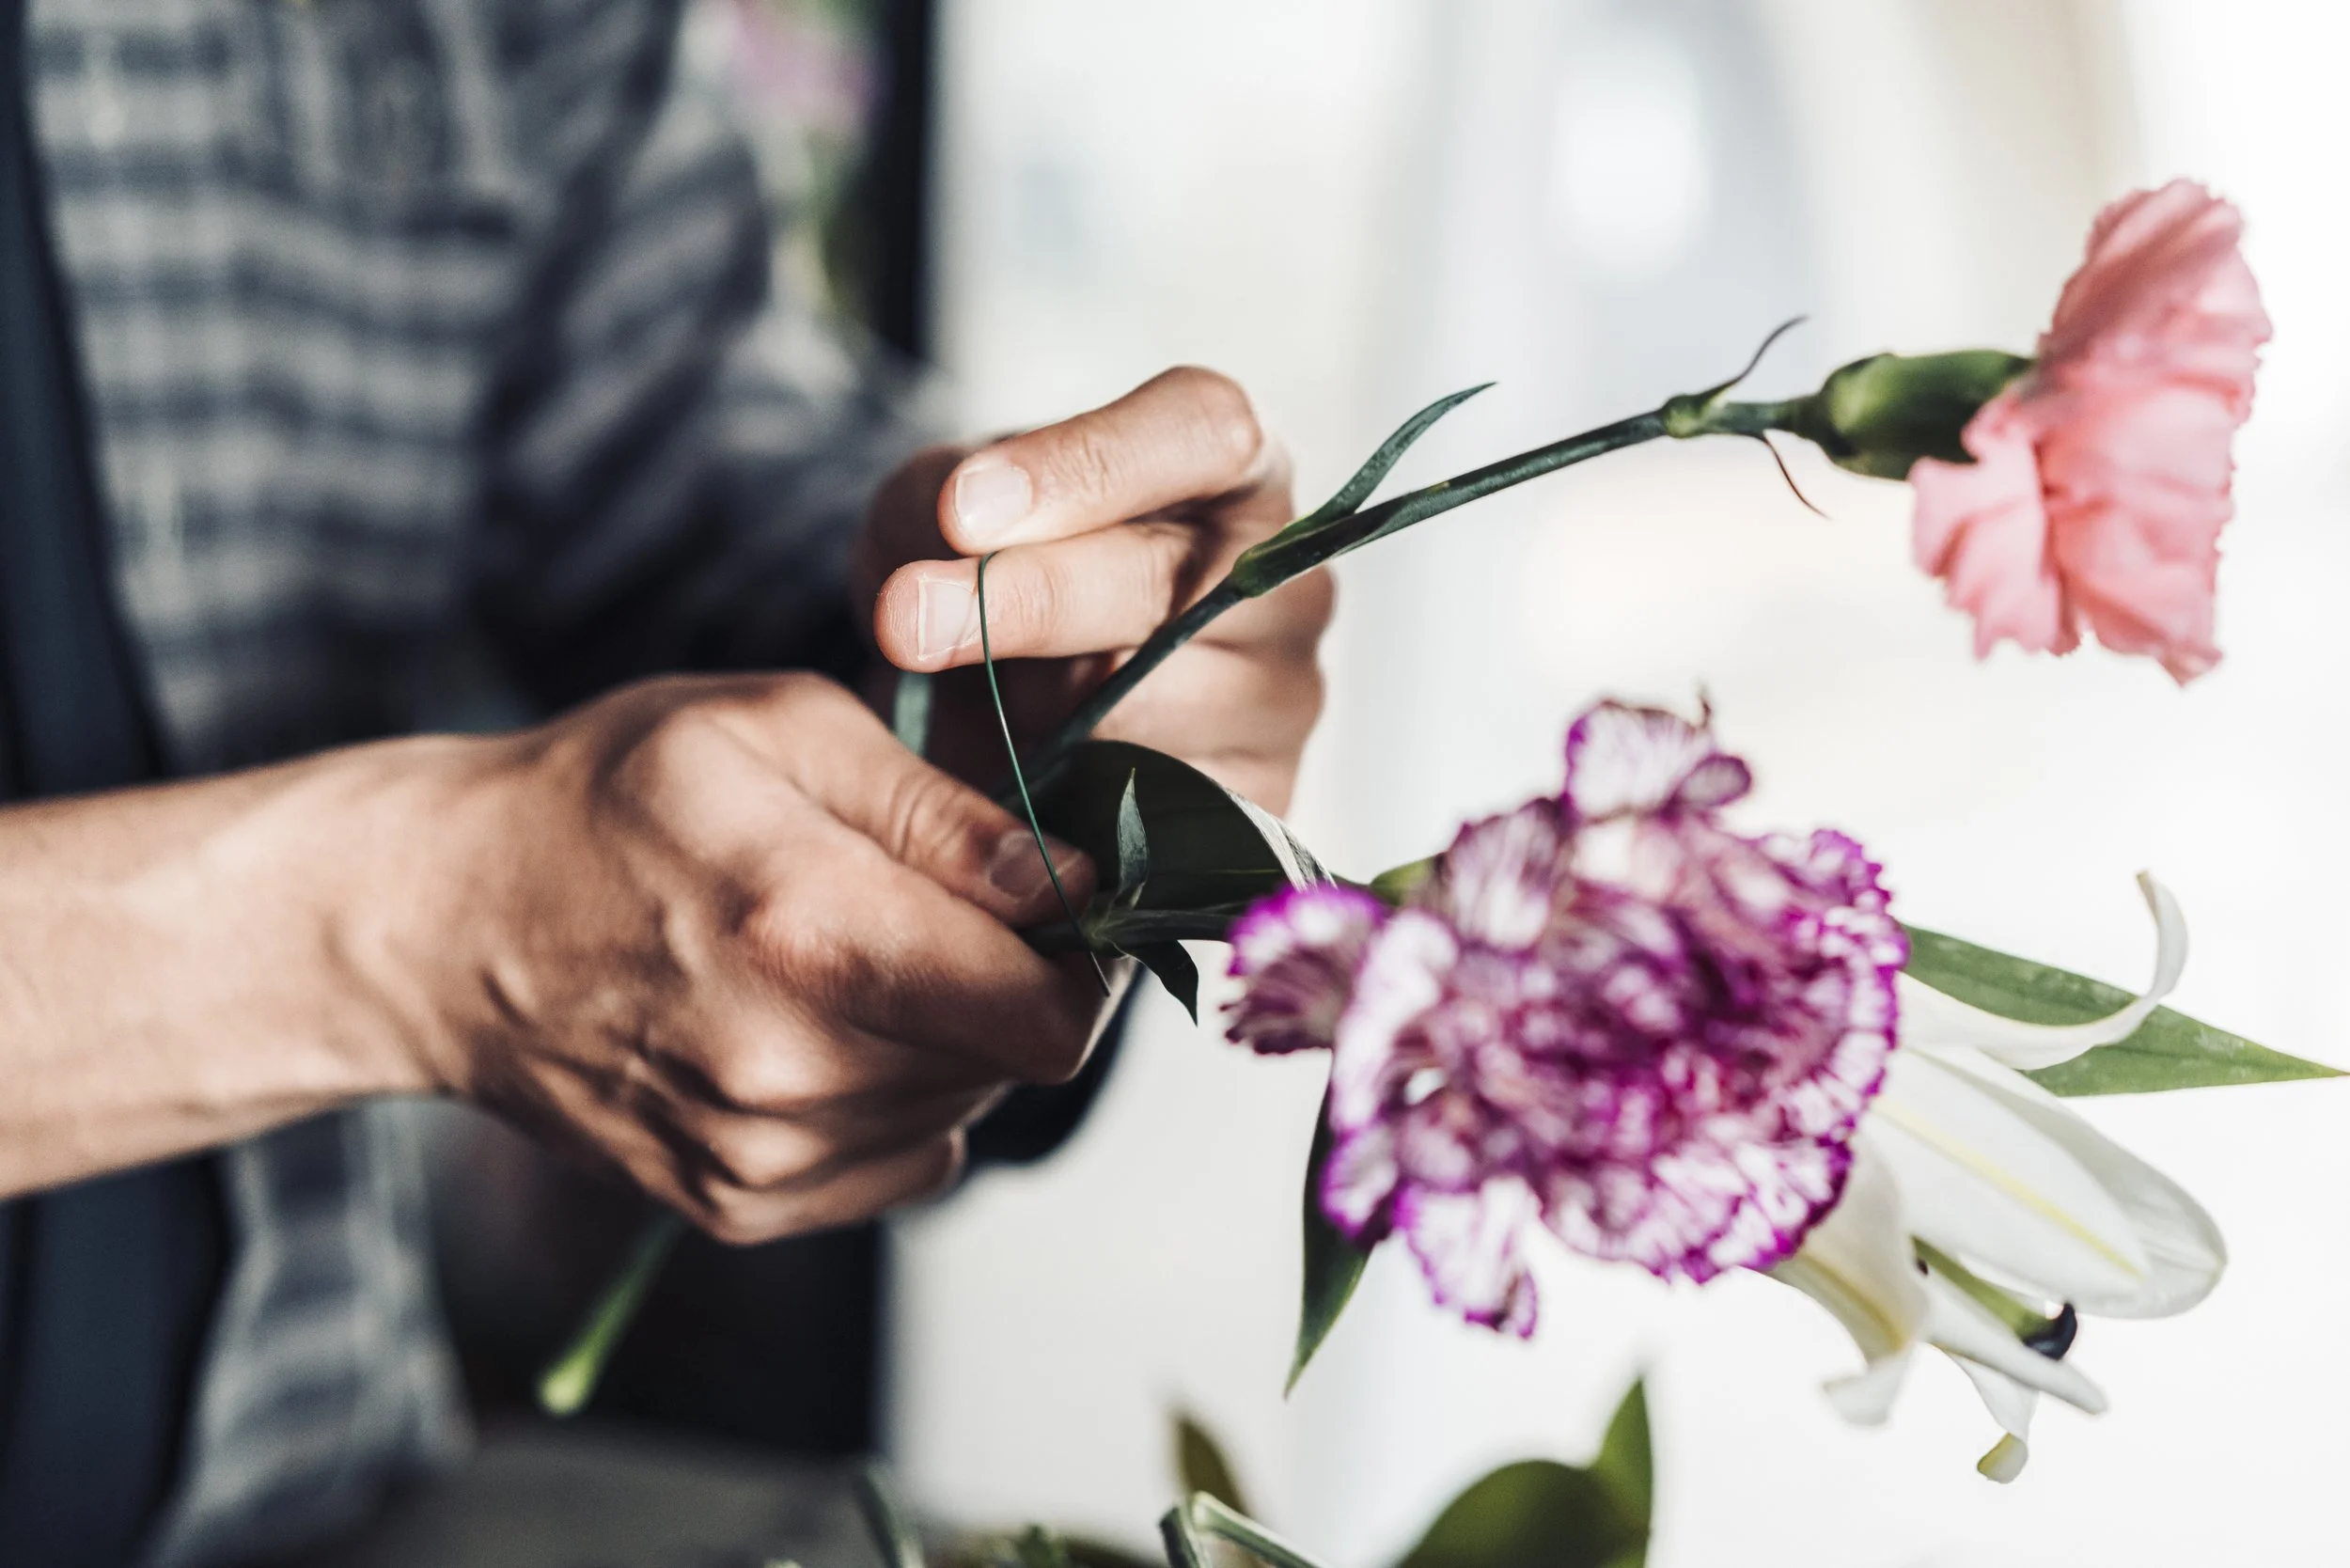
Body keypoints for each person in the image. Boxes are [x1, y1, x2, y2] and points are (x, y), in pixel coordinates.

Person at [0, 1, 1330, 1564]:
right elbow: (448, 918)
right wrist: (406, 930)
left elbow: (703, 470)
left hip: (315, 1503)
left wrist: (1052, 660)